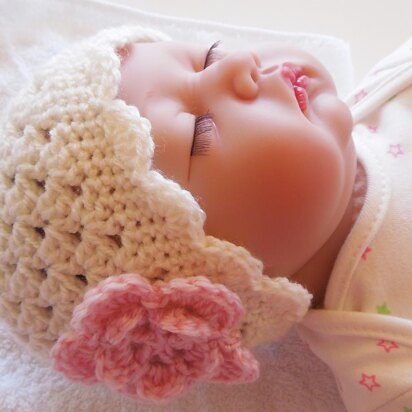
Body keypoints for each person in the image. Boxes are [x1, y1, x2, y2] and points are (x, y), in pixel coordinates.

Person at [0, 25, 411, 411]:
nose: (238, 66)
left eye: (209, 58)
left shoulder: (393, 87)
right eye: (202, 130)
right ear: (220, 275)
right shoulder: (387, 359)